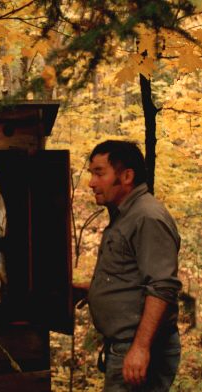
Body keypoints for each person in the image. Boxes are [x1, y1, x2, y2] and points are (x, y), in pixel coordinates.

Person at [73, 140, 182, 391]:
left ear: (126, 176)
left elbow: (162, 286)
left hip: (142, 347)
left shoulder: (147, 216)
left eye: (99, 173)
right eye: (91, 174)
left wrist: (141, 348)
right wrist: (94, 290)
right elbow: (132, 277)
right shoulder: (125, 215)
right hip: (124, 347)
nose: (91, 183)